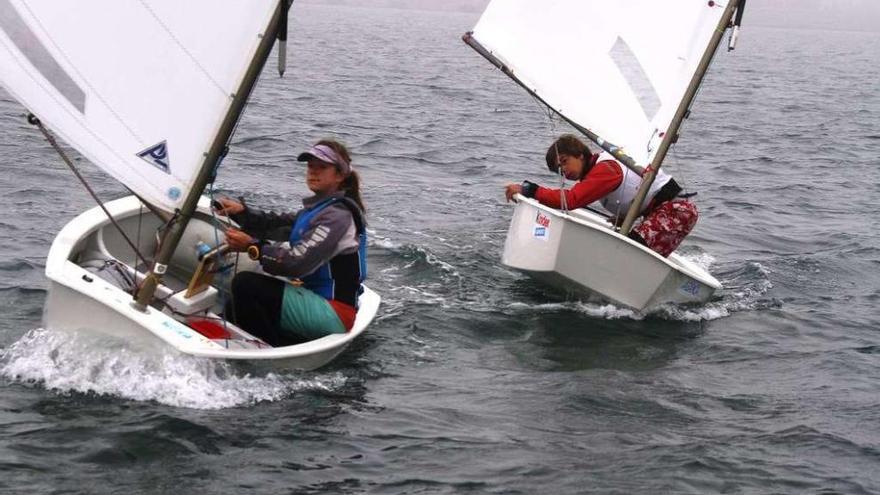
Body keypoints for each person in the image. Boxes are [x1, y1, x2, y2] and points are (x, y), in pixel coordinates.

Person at [214, 139, 367, 346]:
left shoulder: (336, 216)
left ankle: (271, 353)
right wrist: (243, 213)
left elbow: (296, 263)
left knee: (246, 284)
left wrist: (253, 247)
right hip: (314, 298)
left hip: (335, 312)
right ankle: (263, 345)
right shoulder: (319, 209)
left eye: (322, 168)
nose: (313, 172)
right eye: (310, 166)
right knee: (236, 304)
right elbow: (278, 224)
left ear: (340, 176)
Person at [503, 134, 697, 257]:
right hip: (665, 212)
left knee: (628, 254)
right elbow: (644, 192)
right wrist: (625, 216)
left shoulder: (606, 169)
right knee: (632, 252)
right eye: (558, 170)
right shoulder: (598, 171)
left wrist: (529, 190)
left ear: (580, 154)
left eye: (564, 161)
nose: (563, 170)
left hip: (676, 211)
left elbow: (570, 200)